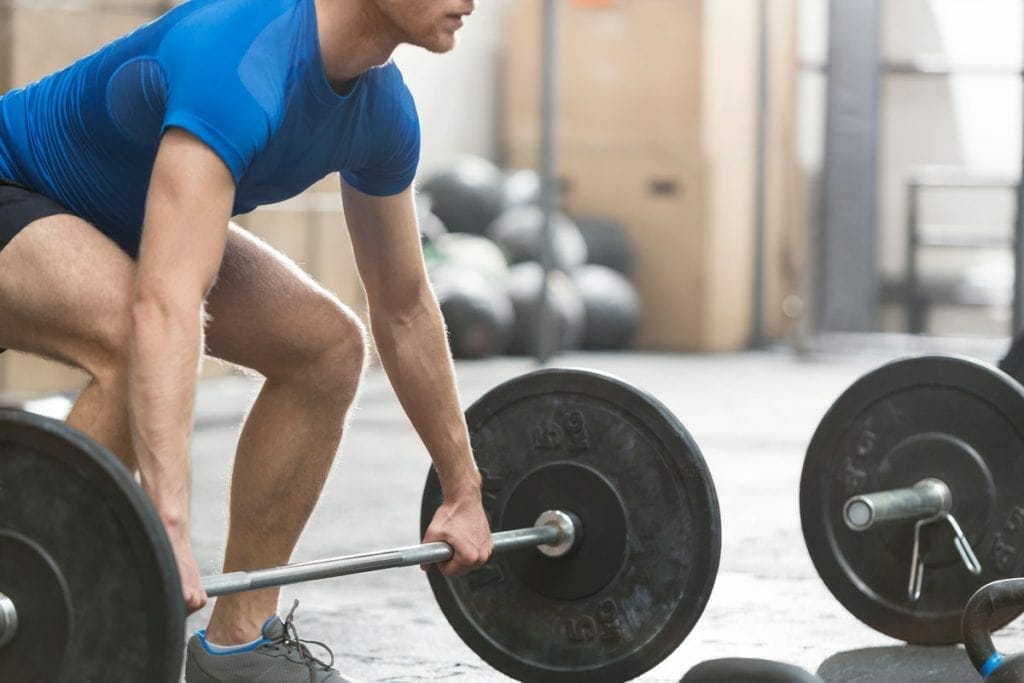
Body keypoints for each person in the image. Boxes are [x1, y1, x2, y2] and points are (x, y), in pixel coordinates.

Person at [0, 0, 491, 680]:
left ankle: (238, 643)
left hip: (125, 222)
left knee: (326, 349)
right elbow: (165, 304)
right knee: (131, 333)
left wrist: (464, 489)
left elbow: (403, 306)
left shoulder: (382, 112)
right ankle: (31, 622)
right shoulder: (239, 57)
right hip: (15, 185)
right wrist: (164, 530)